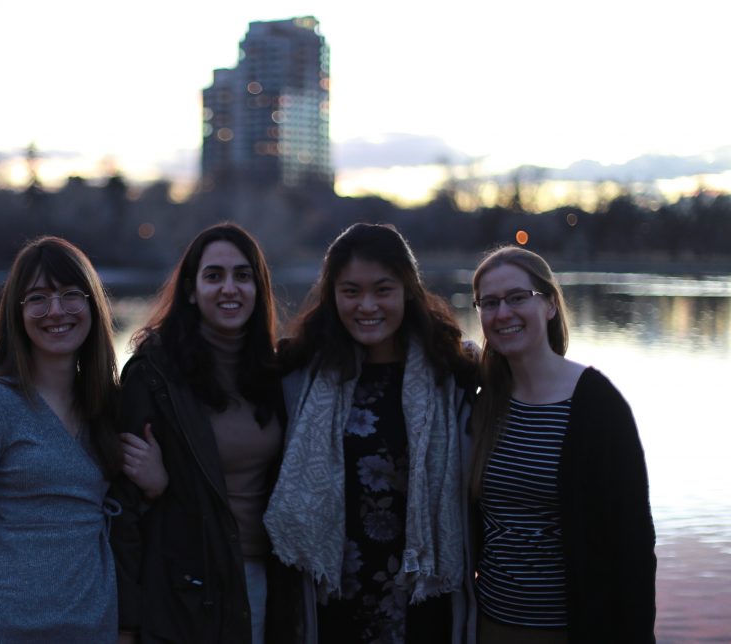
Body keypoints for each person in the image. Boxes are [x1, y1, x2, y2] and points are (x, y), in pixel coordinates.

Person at [266, 222, 479, 643]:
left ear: (407, 292)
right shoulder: (299, 376)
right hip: (332, 595)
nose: (367, 305)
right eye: (351, 291)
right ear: (332, 296)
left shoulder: (452, 375)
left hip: (422, 593)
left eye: (383, 290)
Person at [0, 236, 124, 643]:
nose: (56, 311)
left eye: (71, 294)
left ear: (92, 306)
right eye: (38, 298)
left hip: (93, 629)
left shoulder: (109, 407)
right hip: (5, 629)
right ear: (18, 313)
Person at [110, 223, 299, 644]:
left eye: (242, 276)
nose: (229, 288)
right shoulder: (154, 377)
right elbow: (120, 511)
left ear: (258, 289)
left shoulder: (278, 374)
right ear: (192, 290)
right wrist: (127, 624)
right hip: (186, 588)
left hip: (264, 580)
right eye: (214, 276)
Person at [468, 245, 656, 643]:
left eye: (518, 298)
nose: (503, 313)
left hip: (572, 628)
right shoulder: (483, 402)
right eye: (489, 303)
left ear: (550, 304)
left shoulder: (596, 403)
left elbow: (634, 544)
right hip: (489, 625)